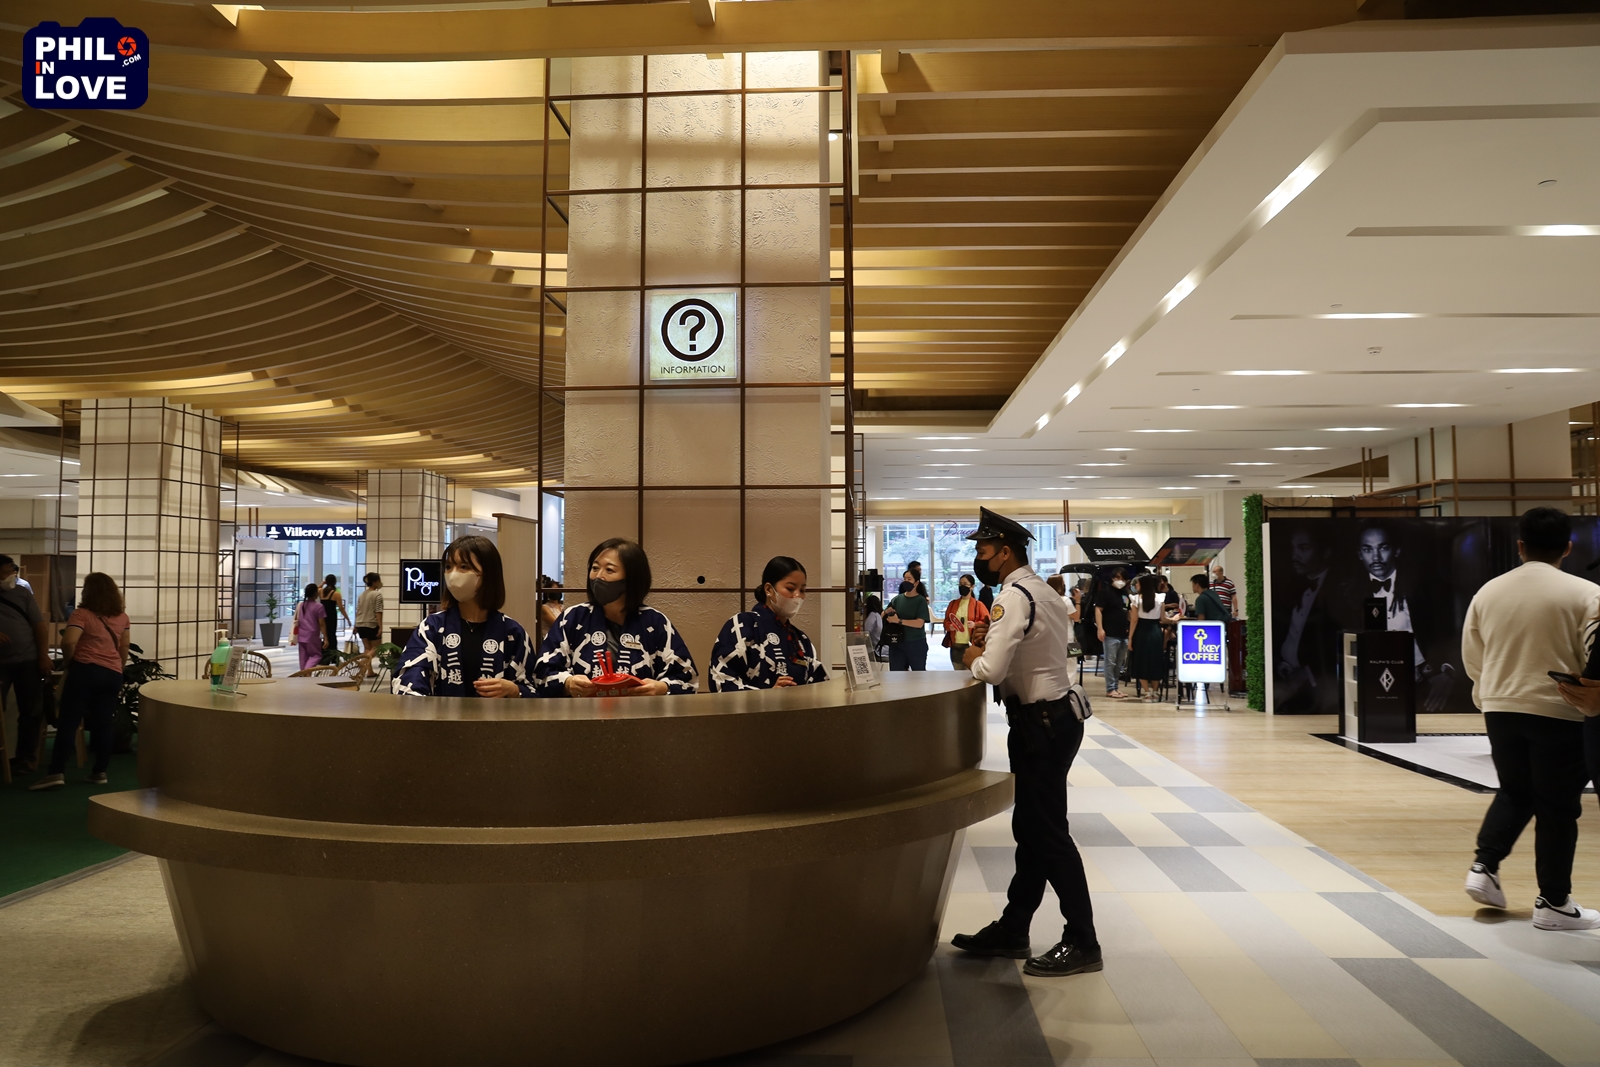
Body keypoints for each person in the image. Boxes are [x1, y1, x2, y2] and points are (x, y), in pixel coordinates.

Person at [951, 508, 1100, 978]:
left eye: (982, 550)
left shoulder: (1013, 596)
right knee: (1032, 829)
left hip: (1040, 725)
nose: (979, 558)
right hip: (1060, 718)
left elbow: (990, 670)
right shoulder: (1044, 592)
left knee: (1047, 833)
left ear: (1004, 552)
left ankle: (1083, 940)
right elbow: (1040, 651)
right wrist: (995, 641)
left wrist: (972, 654)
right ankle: (1014, 927)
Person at [1460, 507, 1600, 930]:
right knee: (1558, 806)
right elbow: (1594, 655)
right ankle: (1553, 902)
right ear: (1568, 547)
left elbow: (1473, 655)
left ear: (1520, 546)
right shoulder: (1586, 593)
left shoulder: (1488, 592)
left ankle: (1484, 866)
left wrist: (1489, 692)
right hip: (1561, 709)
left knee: (1515, 790)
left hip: (1500, 705)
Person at [534, 538, 698, 697]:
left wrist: (662, 688)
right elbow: (542, 673)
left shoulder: (655, 623)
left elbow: (687, 680)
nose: (598, 576)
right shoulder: (573, 618)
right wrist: (568, 683)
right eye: (595, 568)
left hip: (641, 713)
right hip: (583, 713)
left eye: (609, 570)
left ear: (632, 579)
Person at [394, 535, 536, 698]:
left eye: (463, 567)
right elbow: (410, 678)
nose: (453, 574)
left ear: (488, 573)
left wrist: (514, 690)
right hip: (442, 714)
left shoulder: (512, 632)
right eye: (448, 567)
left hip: (496, 715)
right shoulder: (432, 627)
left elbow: (533, 688)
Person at [29, 573, 129, 790]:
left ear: (87, 591)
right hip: (112, 674)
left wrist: (70, 662)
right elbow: (124, 647)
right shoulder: (122, 617)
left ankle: (56, 772)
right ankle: (100, 772)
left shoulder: (81, 614)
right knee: (104, 723)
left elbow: (68, 642)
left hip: (85, 671)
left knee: (69, 722)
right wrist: (118, 669)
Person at [1354, 524, 1456, 712]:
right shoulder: (1349, 593)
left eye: (1383, 548)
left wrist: (1448, 671)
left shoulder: (1422, 587)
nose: (1376, 558)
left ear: (1396, 550)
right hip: (1374, 684)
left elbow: (1452, 630)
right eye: (1368, 550)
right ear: (1359, 554)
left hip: (1426, 680)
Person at [709, 557, 828, 691]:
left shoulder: (801, 639)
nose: (797, 596)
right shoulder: (743, 625)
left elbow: (819, 685)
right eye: (790, 588)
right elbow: (721, 679)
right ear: (769, 589)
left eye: (802, 590)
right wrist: (767, 696)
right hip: (756, 705)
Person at [1275, 527, 1338, 714]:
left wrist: (1305, 673)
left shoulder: (1338, 590)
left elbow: (1333, 641)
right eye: (1293, 548)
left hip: (1318, 684)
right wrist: (1283, 663)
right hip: (1288, 677)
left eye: (1303, 548)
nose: (1295, 556)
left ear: (1325, 551)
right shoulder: (1293, 587)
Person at [1, 553, 52, 775]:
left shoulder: (23, 593)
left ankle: (26, 758)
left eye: (11, 572)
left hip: (28, 660)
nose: (10, 577)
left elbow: (39, 625)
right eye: (5, 573)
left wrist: (43, 656)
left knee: (30, 711)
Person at [1094, 566, 1131, 700]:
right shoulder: (1105, 592)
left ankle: (1115, 687)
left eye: (1122, 578)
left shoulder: (1125, 594)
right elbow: (1098, 610)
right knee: (1110, 662)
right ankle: (1110, 688)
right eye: (1118, 578)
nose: (1120, 581)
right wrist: (1100, 628)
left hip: (1123, 633)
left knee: (1119, 662)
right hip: (1110, 632)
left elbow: (1128, 611)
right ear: (1113, 578)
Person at [942, 573, 990, 670]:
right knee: (957, 673)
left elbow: (987, 622)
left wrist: (975, 624)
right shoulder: (953, 604)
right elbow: (946, 621)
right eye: (960, 584)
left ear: (972, 587)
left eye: (965, 584)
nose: (962, 586)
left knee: (969, 674)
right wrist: (949, 626)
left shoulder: (978, 605)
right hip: (955, 646)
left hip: (971, 645)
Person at [1130, 574, 1165, 702]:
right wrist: (1173, 620)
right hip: (1155, 630)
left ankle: (1147, 692)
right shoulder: (1160, 598)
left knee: (1141, 660)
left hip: (1141, 631)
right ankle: (1155, 692)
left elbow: (1134, 620)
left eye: (1138, 583)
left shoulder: (1136, 599)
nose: (1136, 585)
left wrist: (1130, 638)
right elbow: (1163, 618)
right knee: (1156, 660)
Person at [883, 579, 930, 672]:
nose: (906, 581)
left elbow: (919, 623)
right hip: (896, 641)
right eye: (904, 578)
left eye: (909, 579)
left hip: (915, 642)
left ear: (916, 582)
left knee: (918, 674)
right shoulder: (897, 599)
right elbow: (882, 615)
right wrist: (886, 612)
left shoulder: (920, 600)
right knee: (896, 673)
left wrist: (899, 621)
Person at [291, 584, 325, 671]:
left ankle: (304, 673)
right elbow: (321, 624)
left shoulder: (301, 605)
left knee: (303, 658)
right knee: (316, 655)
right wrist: (326, 638)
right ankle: (307, 671)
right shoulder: (319, 606)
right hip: (312, 636)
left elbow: (296, 619)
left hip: (301, 636)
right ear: (315, 593)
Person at [353, 572, 384, 662]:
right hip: (371, 624)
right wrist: (380, 627)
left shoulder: (361, 595)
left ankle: (367, 668)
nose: (380, 582)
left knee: (367, 648)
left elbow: (358, 610)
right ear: (375, 582)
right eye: (379, 580)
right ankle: (362, 663)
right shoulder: (377, 595)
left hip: (360, 624)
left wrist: (355, 625)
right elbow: (378, 612)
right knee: (376, 648)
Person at [320, 573, 351, 654]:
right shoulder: (336, 594)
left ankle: (325, 653)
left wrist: (323, 583)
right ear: (335, 582)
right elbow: (341, 608)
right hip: (331, 617)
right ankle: (333, 654)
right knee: (332, 635)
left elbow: (316, 588)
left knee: (325, 635)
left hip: (322, 616)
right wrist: (347, 618)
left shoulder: (321, 591)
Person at [862, 594, 885, 659]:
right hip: (881, 647)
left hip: (874, 648)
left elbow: (866, 632)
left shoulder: (872, 615)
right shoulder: (878, 615)